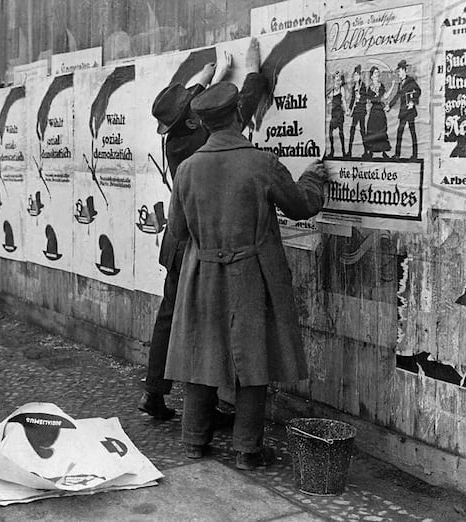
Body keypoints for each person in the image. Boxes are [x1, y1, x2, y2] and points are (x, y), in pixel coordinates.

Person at [164, 82, 328, 465]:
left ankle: (193, 440)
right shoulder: (261, 163)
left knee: (200, 354)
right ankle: (247, 451)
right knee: (254, 360)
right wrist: (313, 178)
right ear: (239, 115)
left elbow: (177, 232)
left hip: (201, 274)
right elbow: (302, 205)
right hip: (251, 274)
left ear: (203, 123)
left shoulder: (187, 169)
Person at [139, 38, 267, 421]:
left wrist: (210, 75)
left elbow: (190, 102)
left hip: (177, 242)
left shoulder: (177, 138)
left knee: (169, 315)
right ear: (194, 120)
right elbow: (239, 109)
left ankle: (154, 392)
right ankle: (207, 408)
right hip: (201, 244)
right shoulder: (202, 139)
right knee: (208, 324)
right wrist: (253, 70)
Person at [388, 60, 421, 159]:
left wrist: (413, 101)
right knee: (399, 132)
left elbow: (418, 91)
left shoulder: (410, 80)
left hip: (410, 111)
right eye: (398, 71)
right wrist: (389, 106)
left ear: (405, 71)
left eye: (400, 71)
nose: (399, 73)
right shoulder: (400, 84)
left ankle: (415, 155)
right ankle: (397, 155)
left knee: (412, 132)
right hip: (403, 112)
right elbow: (397, 96)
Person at [364, 65, 392, 159]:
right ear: (371, 76)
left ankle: (384, 152)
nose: (377, 74)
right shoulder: (369, 88)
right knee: (372, 130)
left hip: (380, 111)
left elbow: (384, 97)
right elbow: (369, 100)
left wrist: (392, 87)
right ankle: (371, 151)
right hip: (373, 111)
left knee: (382, 130)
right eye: (375, 73)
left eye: (377, 72)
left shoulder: (381, 86)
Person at [347, 65, 367, 158]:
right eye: (354, 75)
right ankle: (349, 151)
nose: (355, 77)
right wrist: (350, 108)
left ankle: (366, 152)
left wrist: (361, 98)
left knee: (363, 130)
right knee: (352, 130)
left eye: (356, 75)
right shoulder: (354, 86)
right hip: (355, 111)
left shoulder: (363, 86)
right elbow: (352, 99)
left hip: (361, 111)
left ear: (359, 76)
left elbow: (366, 99)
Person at [327, 71, 347, 158]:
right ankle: (332, 151)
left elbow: (344, 100)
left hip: (339, 113)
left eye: (339, 80)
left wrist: (346, 111)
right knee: (330, 132)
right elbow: (328, 101)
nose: (338, 82)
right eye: (336, 80)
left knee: (341, 132)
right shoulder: (331, 90)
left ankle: (343, 151)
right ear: (334, 81)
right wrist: (329, 100)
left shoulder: (341, 89)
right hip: (333, 113)